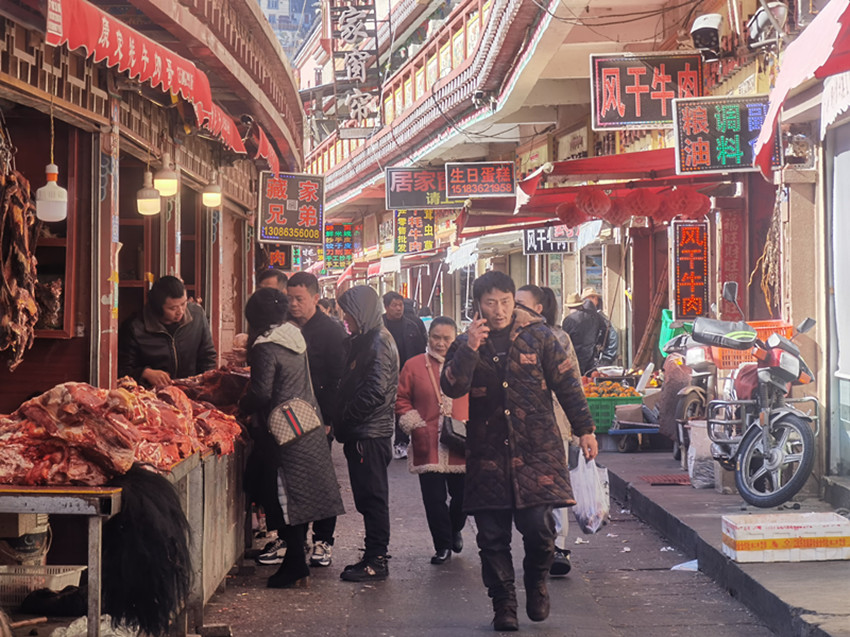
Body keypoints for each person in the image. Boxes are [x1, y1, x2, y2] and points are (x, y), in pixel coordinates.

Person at [441, 271, 597, 632]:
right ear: (478, 305)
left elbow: (567, 384)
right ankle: (504, 604)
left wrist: (585, 430)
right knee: (491, 538)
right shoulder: (466, 342)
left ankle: (536, 581)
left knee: (540, 530)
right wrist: (469, 349)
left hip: (537, 451)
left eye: (505, 302)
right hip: (487, 455)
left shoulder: (540, 336)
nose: (498, 310)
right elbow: (451, 387)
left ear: (515, 301)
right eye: (490, 303)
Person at [239, 288, 345, 588]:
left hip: (283, 431)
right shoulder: (294, 337)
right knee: (297, 495)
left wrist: (241, 406)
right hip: (305, 423)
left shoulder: (265, 346)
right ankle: (295, 563)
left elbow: (262, 392)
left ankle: (296, 564)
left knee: (283, 496)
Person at [336, 285, 399, 582]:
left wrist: (346, 417)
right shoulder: (367, 339)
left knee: (373, 498)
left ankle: (376, 559)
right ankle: (373, 555)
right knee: (368, 497)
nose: (345, 318)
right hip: (364, 431)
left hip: (369, 434)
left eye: (349, 312)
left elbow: (374, 391)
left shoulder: (378, 342)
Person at [286, 272, 348, 568]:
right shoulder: (286, 327)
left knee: (321, 481)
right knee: (295, 480)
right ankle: (295, 540)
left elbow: (338, 379)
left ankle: (324, 540)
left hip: (319, 417)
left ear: (315, 298)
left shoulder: (331, 331)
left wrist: (329, 419)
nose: (293, 304)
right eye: (290, 298)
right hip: (291, 417)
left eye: (299, 299)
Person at [396, 316, 468, 566]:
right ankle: (442, 545)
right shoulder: (413, 365)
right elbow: (401, 399)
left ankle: (454, 528)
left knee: (463, 497)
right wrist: (414, 423)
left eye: (446, 338)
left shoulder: (467, 364)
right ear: (428, 337)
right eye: (436, 337)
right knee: (433, 499)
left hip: (461, 441)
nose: (440, 343)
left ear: (455, 339)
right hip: (427, 441)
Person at [118, 275, 217, 388]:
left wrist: (205, 385)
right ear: (157, 307)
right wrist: (145, 373)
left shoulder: (197, 315)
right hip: (151, 394)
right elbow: (122, 368)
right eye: (173, 308)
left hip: (191, 390)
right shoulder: (135, 327)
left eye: (183, 303)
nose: (180, 311)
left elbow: (208, 356)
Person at [382, 291, 427, 459]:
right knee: (385, 409)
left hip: (407, 374)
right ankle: (383, 443)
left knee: (403, 408)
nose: (398, 308)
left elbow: (421, 350)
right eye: (394, 305)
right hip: (385, 375)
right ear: (386, 307)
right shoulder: (379, 326)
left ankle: (401, 443)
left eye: (400, 305)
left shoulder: (412, 326)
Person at [561, 292, 604, 375]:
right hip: (590, 357)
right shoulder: (594, 317)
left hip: (574, 358)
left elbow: (564, 341)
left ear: (569, 307)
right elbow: (604, 330)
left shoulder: (569, 320)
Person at [581, 286, 619, 366]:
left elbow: (612, 335)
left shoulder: (599, 317)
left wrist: (607, 357)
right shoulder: (584, 316)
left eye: (587, 300)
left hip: (598, 358)